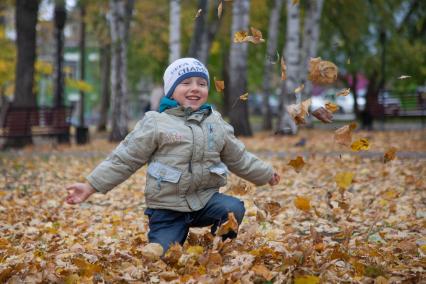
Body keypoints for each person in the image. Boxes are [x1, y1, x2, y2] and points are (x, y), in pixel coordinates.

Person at [65, 58, 280, 254]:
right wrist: (90, 186)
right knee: (161, 254)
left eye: (201, 83)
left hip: (204, 201)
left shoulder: (216, 123)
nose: (195, 88)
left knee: (233, 209)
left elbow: (239, 158)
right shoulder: (156, 123)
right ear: (171, 90)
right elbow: (124, 159)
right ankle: (163, 242)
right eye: (186, 83)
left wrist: (266, 173)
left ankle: (217, 250)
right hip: (167, 209)